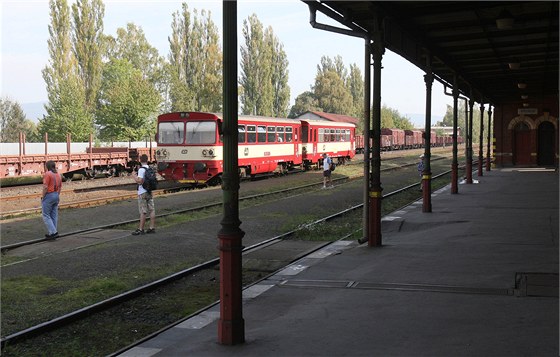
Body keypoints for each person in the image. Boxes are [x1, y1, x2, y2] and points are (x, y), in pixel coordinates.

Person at [132, 154, 156, 235]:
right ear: (147, 160)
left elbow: (140, 181)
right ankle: (151, 227)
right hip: (149, 191)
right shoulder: (149, 168)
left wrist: (134, 176)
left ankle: (141, 229)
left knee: (143, 211)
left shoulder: (141, 170)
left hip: (142, 192)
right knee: (152, 209)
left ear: (140, 160)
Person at [42, 160, 62, 239]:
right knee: (54, 215)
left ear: (47, 166)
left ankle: (54, 232)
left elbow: (45, 187)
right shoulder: (58, 175)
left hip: (49, 196)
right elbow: (60, 187)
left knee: (46, 215)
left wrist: (43, 197)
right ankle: (52, 232)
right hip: (56, 195)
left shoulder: (47, 174)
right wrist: (57, 195)